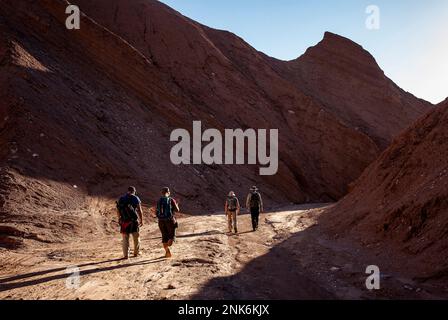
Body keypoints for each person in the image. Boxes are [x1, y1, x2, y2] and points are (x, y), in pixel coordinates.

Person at [116, 186, 144, 259]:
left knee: (125, 238)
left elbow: (118, 210)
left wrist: (119, 218)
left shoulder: (121, 198)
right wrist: (141, 220)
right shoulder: (135, 198)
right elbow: (140, 210)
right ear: (134, 191)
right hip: (133, 221)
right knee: (136, 237)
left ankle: (126, 255)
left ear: (127, 191)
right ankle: (136, 252)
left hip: (124, 221)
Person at [156, 187, 179, 258]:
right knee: (171, 236)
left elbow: (157, 212)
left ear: (162, 193)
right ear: (168, 192)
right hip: (170, 220)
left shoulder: (159, 200)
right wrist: (176, 205)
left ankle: (167, 251)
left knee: (164, 236)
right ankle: (170, 240)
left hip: (161, 221)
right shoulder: (171, 199)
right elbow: (177, 210)